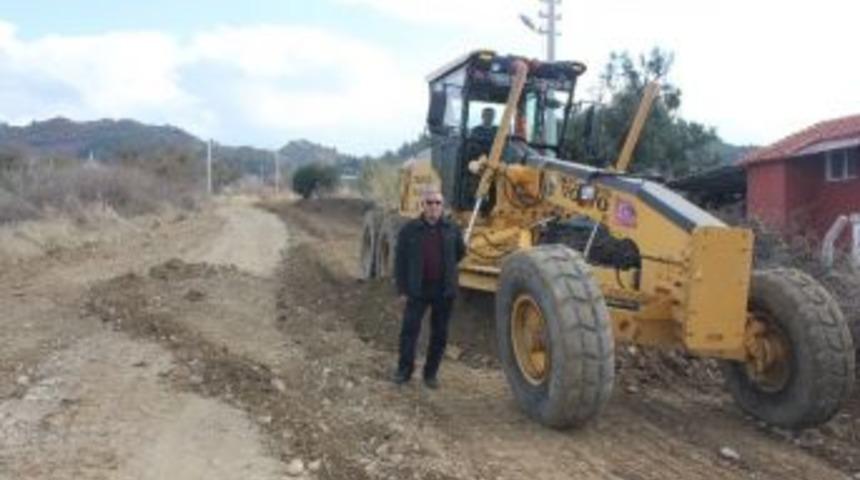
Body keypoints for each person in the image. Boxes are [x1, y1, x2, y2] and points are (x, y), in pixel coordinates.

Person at [393, 188, 466, 389]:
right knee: (409, 331)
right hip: (417, 290)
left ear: (442, 207)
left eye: (437, 203)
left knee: (440, 335)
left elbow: (460, 253)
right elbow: (400, 262)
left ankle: (430, 374)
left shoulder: (452, 228)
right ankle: (404, 371)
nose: (434, 206)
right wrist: (402, 290)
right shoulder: (409, 230)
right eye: (429, 203)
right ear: (422, 206)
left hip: (444, 291)